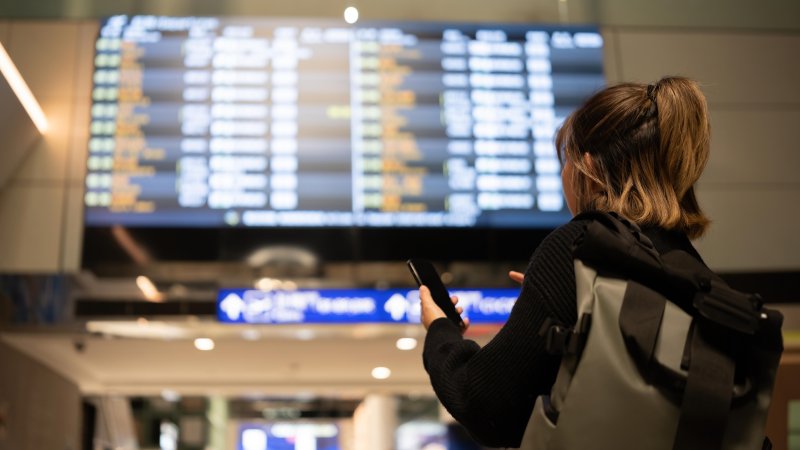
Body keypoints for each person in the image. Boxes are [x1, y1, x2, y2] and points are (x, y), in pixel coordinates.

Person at [418, 76, 714, 448]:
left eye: (566, 161)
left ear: (586, 166)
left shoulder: (577, 246)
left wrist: (439, 330)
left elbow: (485, 406)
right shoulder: (692, 268)